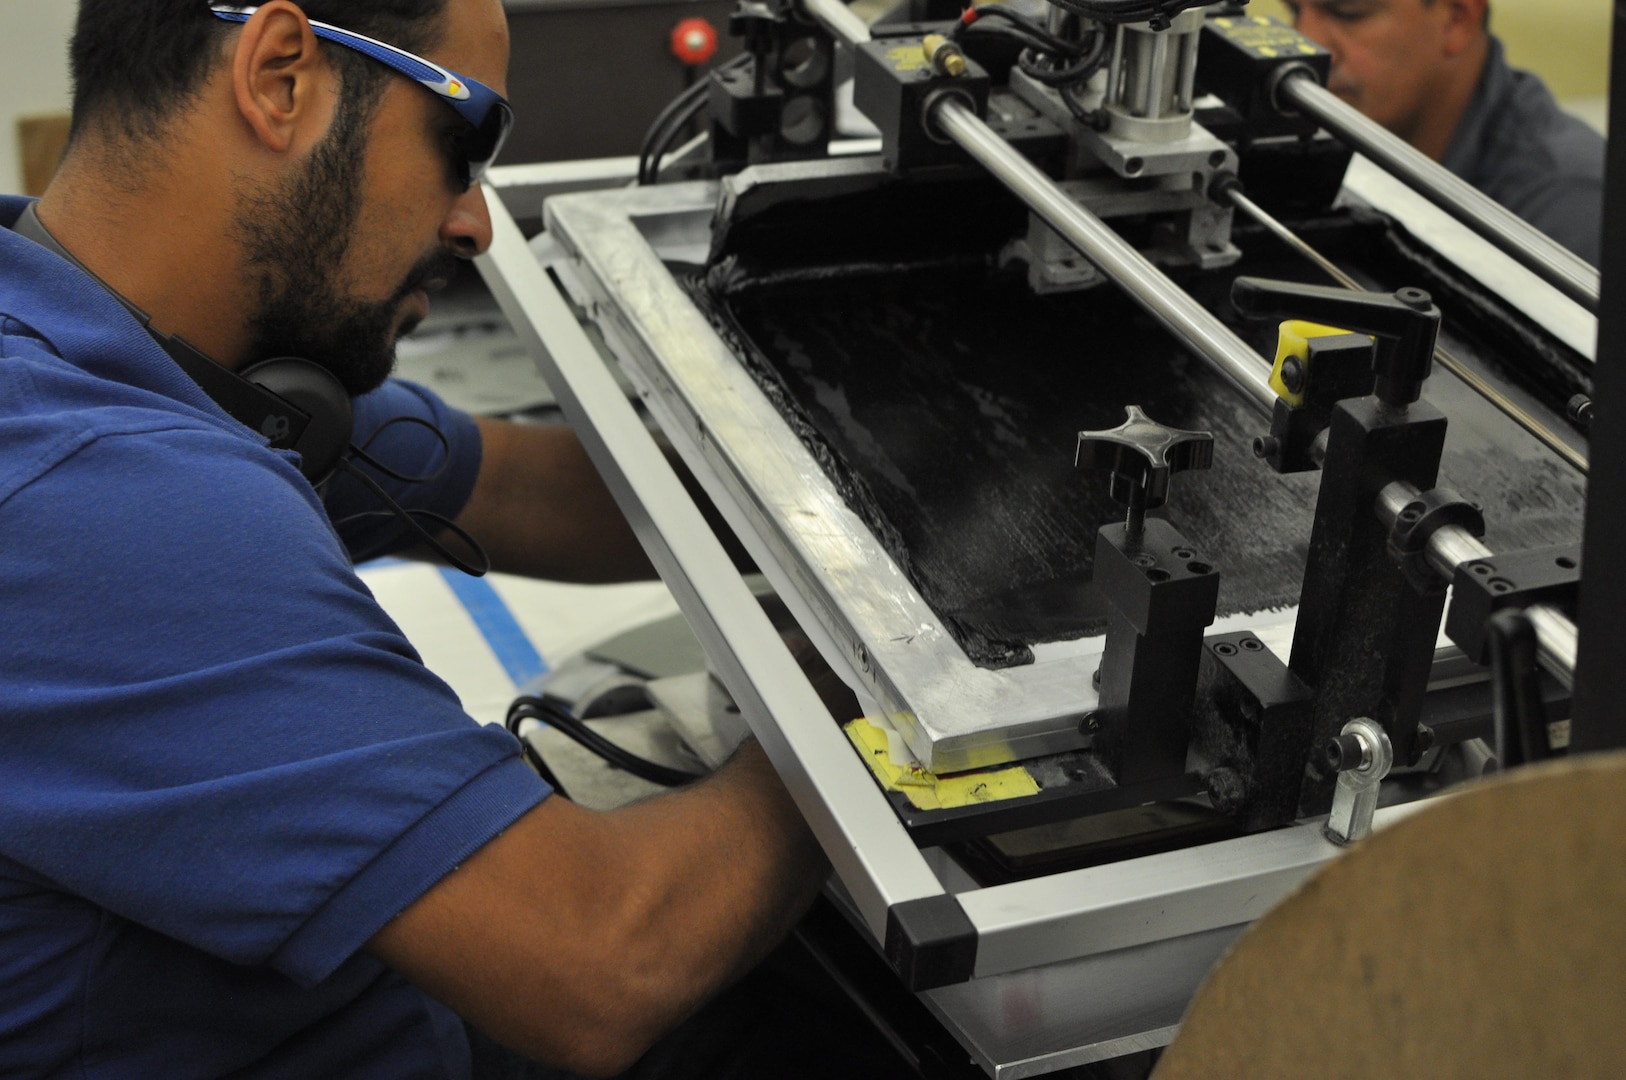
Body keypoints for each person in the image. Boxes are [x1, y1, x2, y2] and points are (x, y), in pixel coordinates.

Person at [0, 0, 837, 1075]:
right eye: (464, 142)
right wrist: (874, 691)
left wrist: (894, 461)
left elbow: (552, 499)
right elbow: (609, 960)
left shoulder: (158, 348)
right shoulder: (98, 500)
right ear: (281, 76)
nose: (476, 222)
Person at [1283, 0, 1606, 266]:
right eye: (1295, 11)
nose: (1305, 42)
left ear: (1457, 20)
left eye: (1348, 13)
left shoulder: (1569, 214)